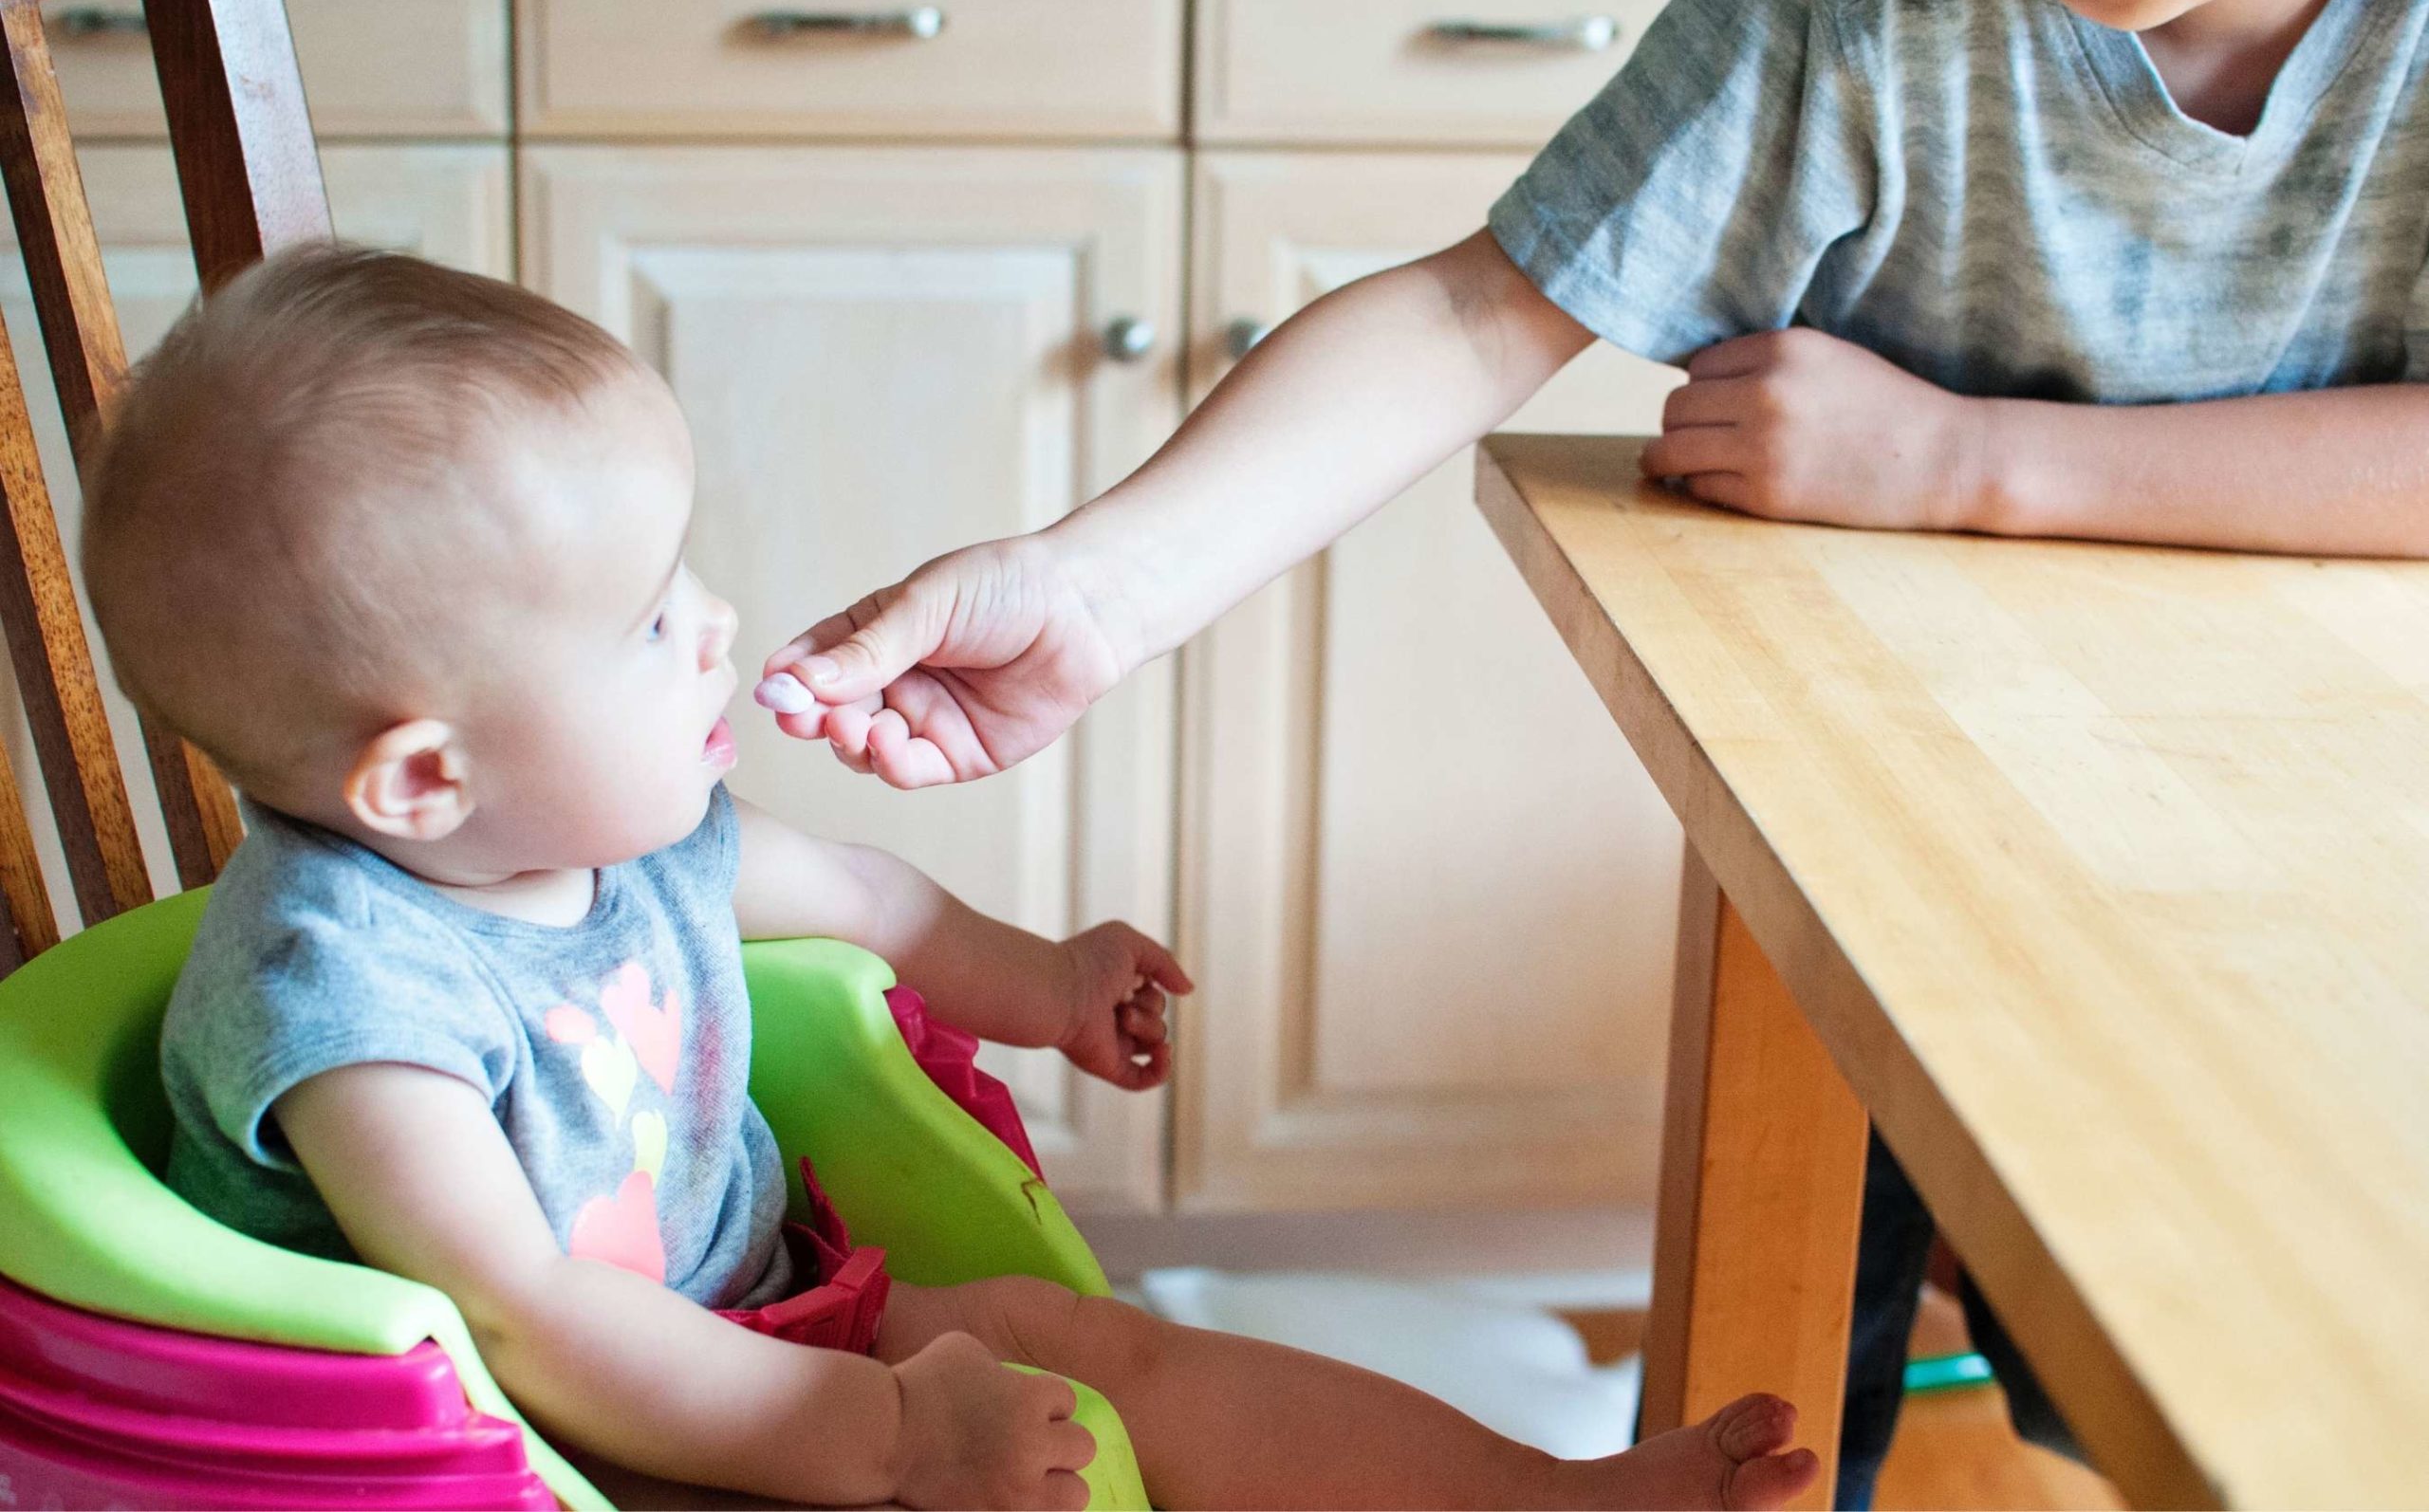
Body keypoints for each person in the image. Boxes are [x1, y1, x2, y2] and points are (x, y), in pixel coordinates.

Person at [751, 0, 2429, 1502]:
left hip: (2296, 859)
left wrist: (1966, 461)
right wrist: (1095, 592)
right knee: (1798, 1349)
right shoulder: (1849, 11)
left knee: (2170, 1368)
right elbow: (1484, 314)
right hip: (1880, 822)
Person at [87, 245, 1821, 1510]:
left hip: (757, 1322)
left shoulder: (610, 834)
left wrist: (1050, 982)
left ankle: (1545, 1498)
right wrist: (893, 1438)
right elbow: (522, 1324)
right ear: (423, 777)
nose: (716, 629)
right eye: (644, 624)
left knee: (1099, 1349)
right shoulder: (357, 1007)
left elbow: (872, 900)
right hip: (520, 1450)